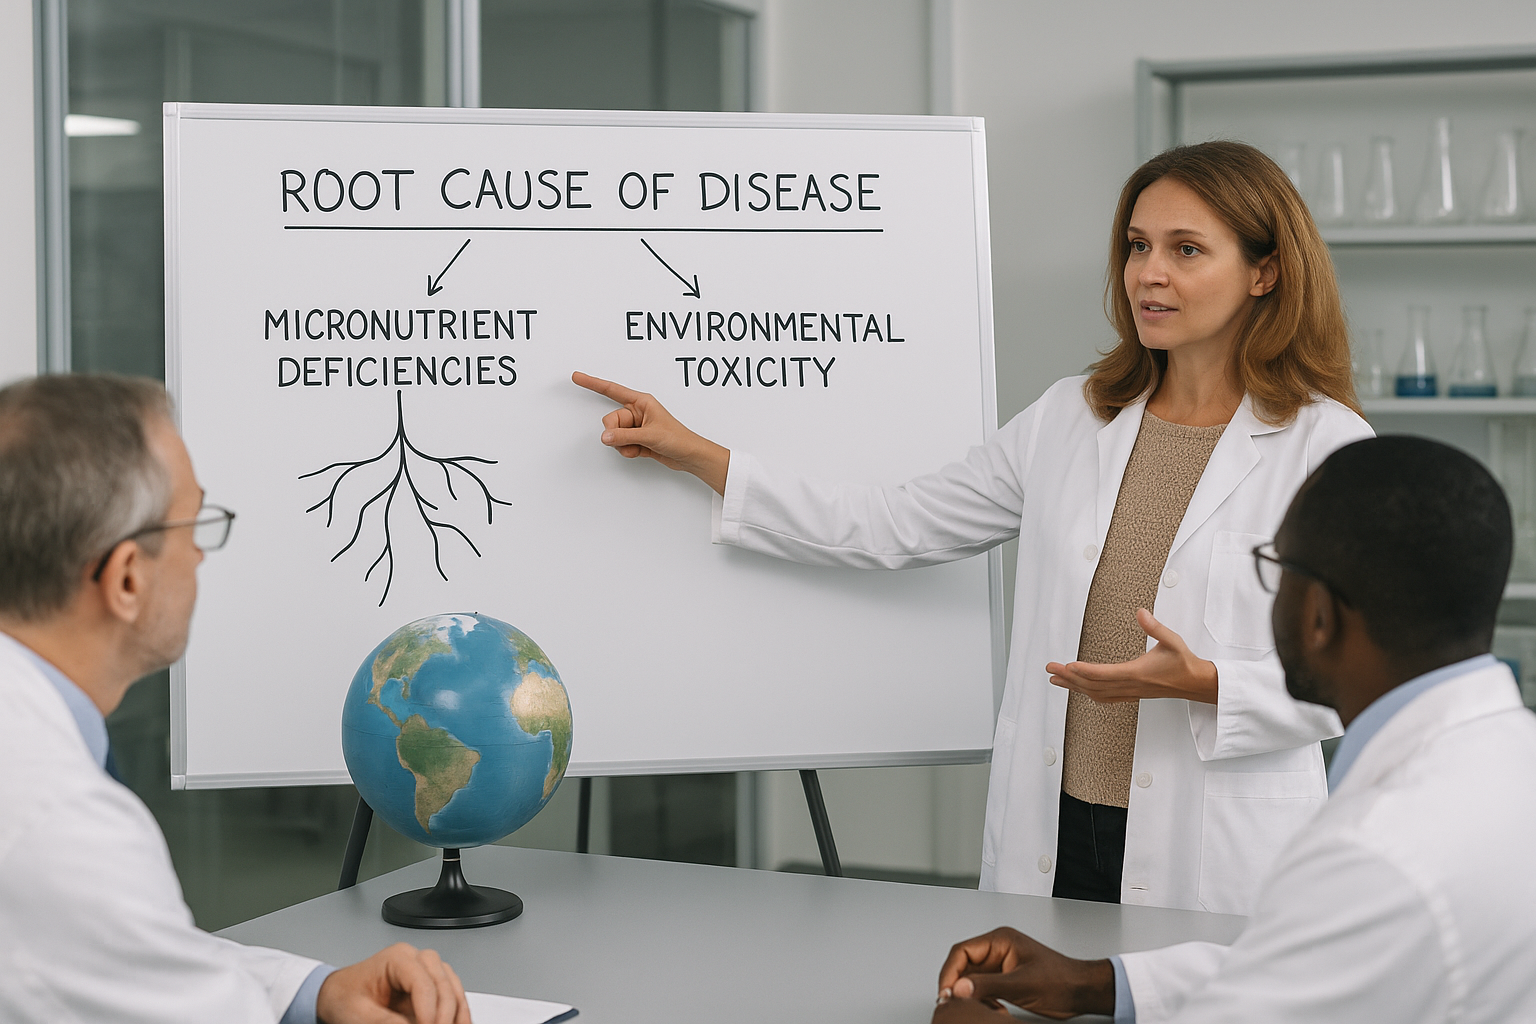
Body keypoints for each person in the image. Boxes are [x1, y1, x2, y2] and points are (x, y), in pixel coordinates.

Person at [574, 140, 1372, 913]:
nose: (1148, 274)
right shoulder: (1072, 415)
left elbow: (1360, 678)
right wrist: (701, 456)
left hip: (1214, 846)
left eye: (1187, 249)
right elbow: (894, 524)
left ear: (1264, 271)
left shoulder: (1325, 445)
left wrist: (1208, 684)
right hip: (1057, 827)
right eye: (1137, 246)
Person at [930, 435, 1536, 1023]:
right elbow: (1307, 974)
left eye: (1271, 568)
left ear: (1319, 614)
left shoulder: (1376, 852)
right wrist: (1102, 983)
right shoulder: (1507, 764)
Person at [0, 374, 472, 1024]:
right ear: (128, 578)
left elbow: (146, 960)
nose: (199, 554)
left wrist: (315, 994)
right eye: (193, 525)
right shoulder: (61, 828)